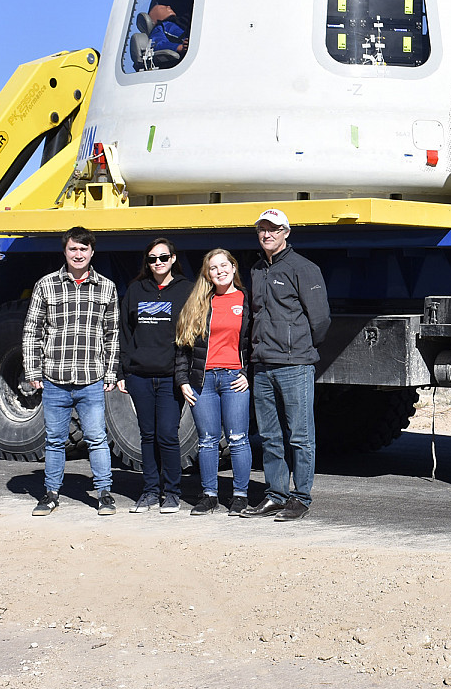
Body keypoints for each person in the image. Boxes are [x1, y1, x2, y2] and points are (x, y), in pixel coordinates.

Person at [240, 209, 331, 522]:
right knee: (269, 436)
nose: (267, 235)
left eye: (274, 229)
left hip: (294, 364)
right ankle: (276, 495)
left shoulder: (303, 268)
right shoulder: (256, 270)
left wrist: (300, 347)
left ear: (286, 232)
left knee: (300, 435)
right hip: (263, 365)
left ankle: (300, 497)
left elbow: (320, 319)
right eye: (262, 230)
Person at [23, 226, 120, 516]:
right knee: (54, 440)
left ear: (92, 252)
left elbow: (112, 334)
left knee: (97, 438)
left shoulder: (107, 287)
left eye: (83, 249)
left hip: (91, 378)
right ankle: (51, 494)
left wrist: (111, 373)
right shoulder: (46, 285)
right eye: (73, 249)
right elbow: (32, 329)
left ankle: (104, 494)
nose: (78, 254)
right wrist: (33, 369)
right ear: (65, 251)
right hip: (55, 378)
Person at [116, 238, 194, 514]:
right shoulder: (136, 290)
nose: (158, 263)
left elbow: (192, 334)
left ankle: (171, 492)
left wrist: (186, 374)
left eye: (163, 257)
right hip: (139, 376)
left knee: (168, 435)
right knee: (147, 435)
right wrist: (122, 370)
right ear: (146, 262)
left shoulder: (186, 289)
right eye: (152, 258)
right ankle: (149, 492)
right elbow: (124, 333)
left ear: (173, 258)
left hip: (171, 376)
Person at [175, 249, 253, 516]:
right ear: (207, 274)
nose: (219, 271)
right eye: (213, 268)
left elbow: (256, 342)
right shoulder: (199, 302)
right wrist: (183, 380)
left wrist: (247, 374)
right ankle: (209, 496)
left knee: (238, 439)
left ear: (233, 267)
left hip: (233, 379)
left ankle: (240, 496)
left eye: (224, 265)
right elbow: (183, 346)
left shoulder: (245, 300)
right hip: (203, 380)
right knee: (207, 440)